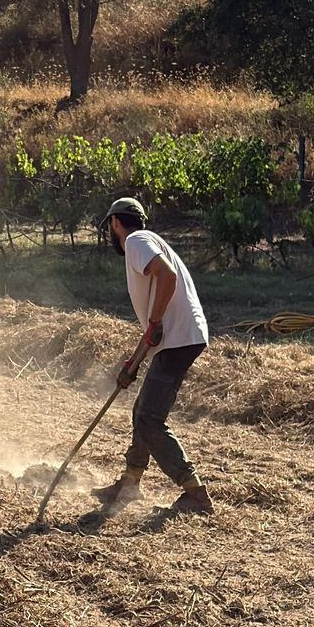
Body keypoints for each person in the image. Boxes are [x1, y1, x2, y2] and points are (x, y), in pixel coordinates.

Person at [97, 195, 214, 517]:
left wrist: (154, 323)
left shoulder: (135, 241)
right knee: (142, 410)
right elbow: (155, 325)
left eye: (110, 227)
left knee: (149, 418)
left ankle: (195, 492)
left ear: (115, 223)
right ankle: (129, 483)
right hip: (180, 338)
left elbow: (167, 277)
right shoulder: (149, 240)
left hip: (180, 339)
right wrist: (132, 365)